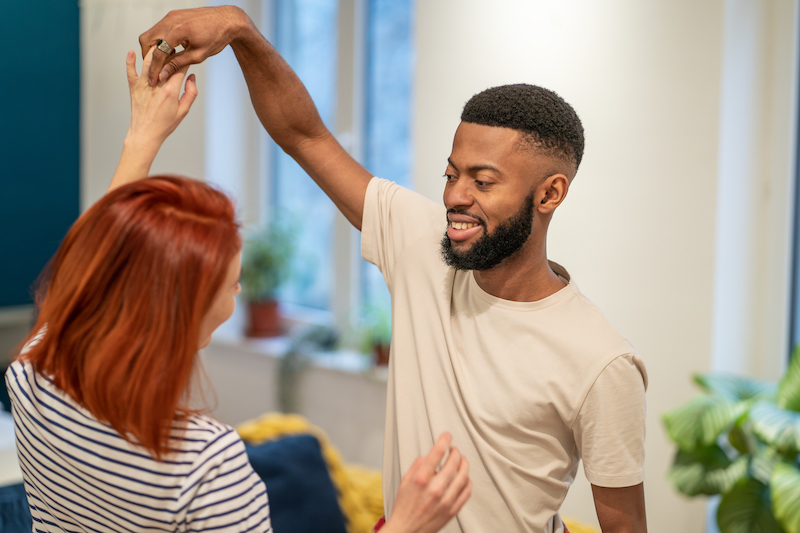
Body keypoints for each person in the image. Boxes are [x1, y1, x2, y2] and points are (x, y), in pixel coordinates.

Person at [137, 6, 648, 533]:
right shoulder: (422, 243)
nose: (455, 196)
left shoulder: (601, 362)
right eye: (451, 174)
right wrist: (240, 30)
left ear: (550, 193)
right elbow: (304, 136)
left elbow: (625, 526)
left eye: (483, 181)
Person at [6, 47, 470, 533]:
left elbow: (95, 263)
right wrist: (404, 525)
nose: (242, 288)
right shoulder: (205, 465)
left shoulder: (36, 374)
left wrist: (143, 134)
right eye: (231, 283)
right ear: (185, 311)